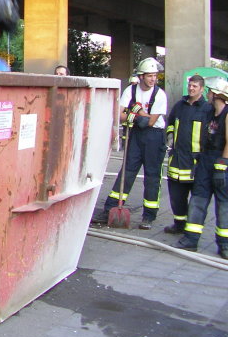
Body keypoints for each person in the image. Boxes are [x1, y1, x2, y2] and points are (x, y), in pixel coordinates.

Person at [91, 57, 168, 229]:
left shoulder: (159, 95)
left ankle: (149, 216)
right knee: (127, 171)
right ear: (141, 76)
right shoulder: (130, 91)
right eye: (150, 76)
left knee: (152, 176)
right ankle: (111, 208)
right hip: (135, 136)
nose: (153, 79)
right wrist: (139, 114)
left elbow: (150, 121)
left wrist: (133, 111)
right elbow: (120, 115)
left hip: (154, 137)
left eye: (155, 76)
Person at [173, 77, 228, 258]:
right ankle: (191, 240)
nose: (208, 95)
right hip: (205, 161)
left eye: (210, 92)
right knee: (198, 199)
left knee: (223, 205)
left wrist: (222, 165)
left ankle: (224, 245)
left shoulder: (226, 114)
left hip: (221, 162)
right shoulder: (210, 113)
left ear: (216, 94)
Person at [163, 74, 212, 234]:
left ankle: (192, 228)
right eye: (190, 85)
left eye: (195, 86)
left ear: (202, 89)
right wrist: (170, 136)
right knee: (176, 197)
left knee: (196, 198)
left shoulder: (207, 109)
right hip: (176, 160)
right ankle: (179, 224)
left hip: (195, 163)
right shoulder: (179, 105)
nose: (191, 88)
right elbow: (170, 123)